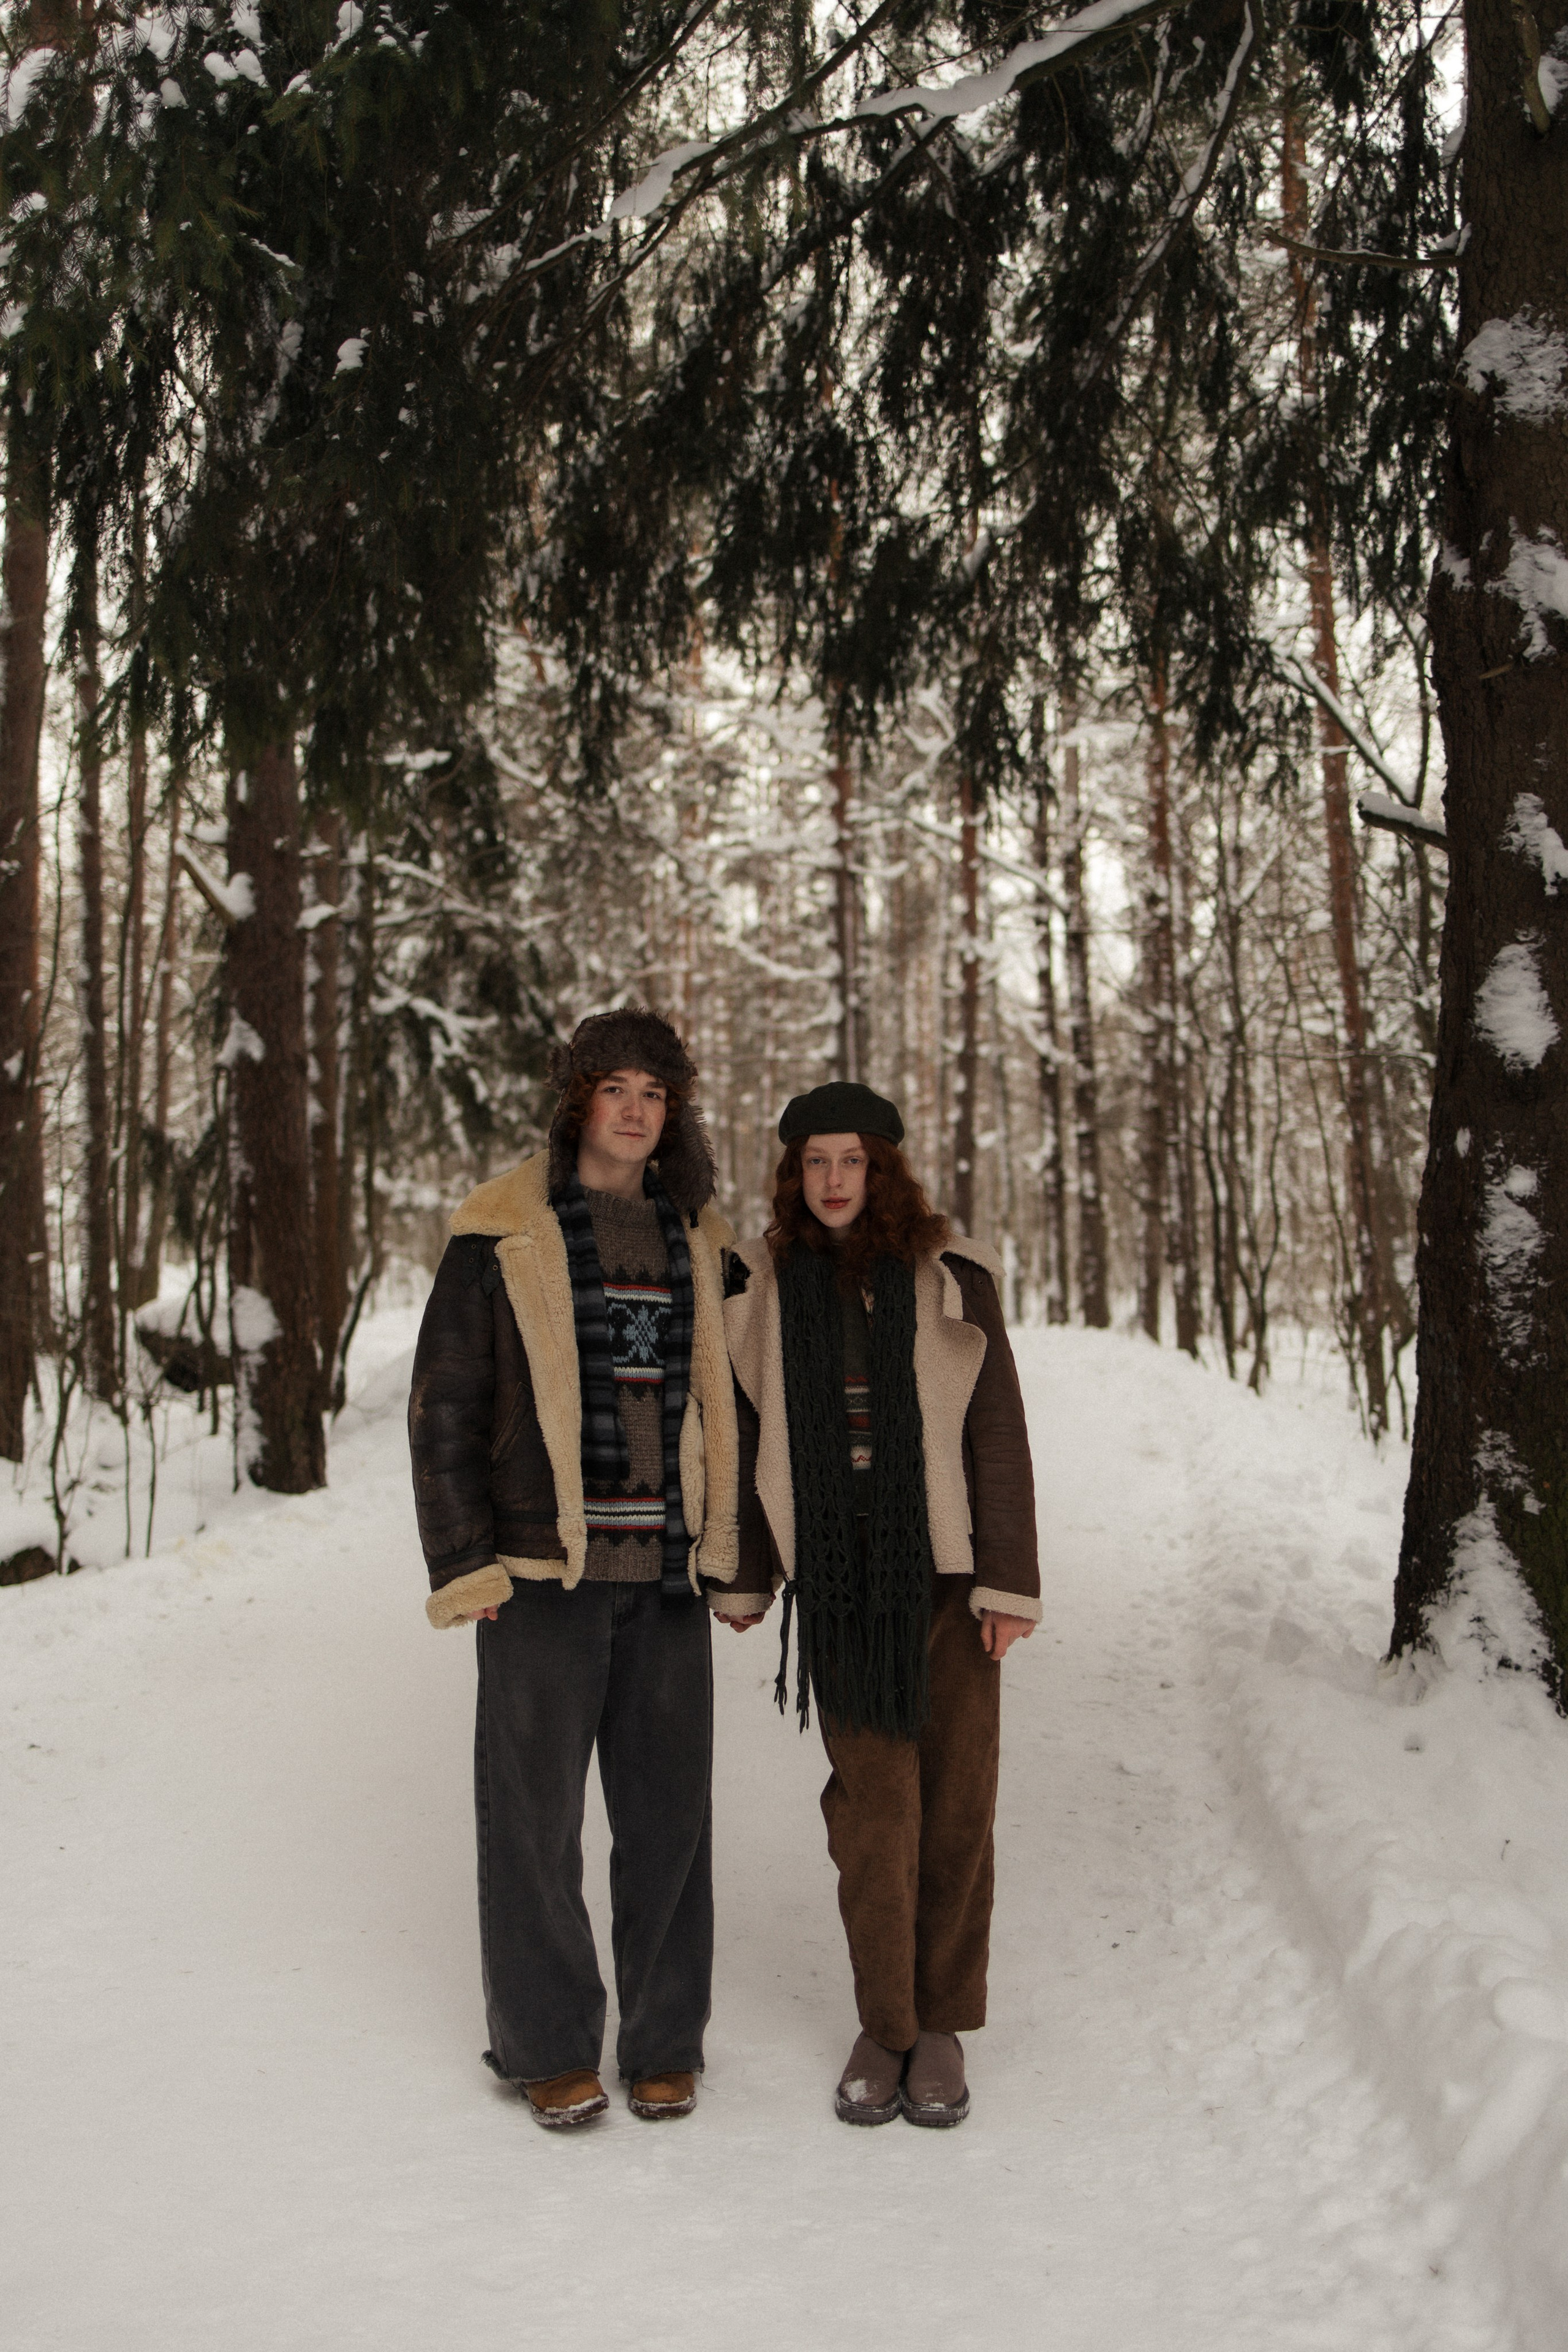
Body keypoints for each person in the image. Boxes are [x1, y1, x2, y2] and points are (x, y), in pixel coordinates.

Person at [407, 1009, 742, 2129]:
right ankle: (547, 2047)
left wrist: (735, 1554)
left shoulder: (701, 1238)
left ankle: (663, 2042)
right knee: (535, 1822)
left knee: (669, 1823)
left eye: (655, 1092)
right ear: (578, 1102)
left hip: (665, 1578)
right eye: (616, 1089)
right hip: (542, 1572)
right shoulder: (501, 1232)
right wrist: (468, 1566)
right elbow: (445, 1408)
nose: (637, 1110)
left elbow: (735, 1412)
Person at [715, 1080, 1039, 2128]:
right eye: (815, 1163)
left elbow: (997, 1432)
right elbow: (748, 1438)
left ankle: (942, 2020)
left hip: (946, 1584)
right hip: (844, 1592)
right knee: (873, 1814)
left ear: (884, 1168)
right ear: (793, 1174)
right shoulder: (761, 1287)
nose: (834, 1181)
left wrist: (1010, 1580)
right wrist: (748, 1571)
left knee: (957, 1802)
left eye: (852, 1161)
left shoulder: (951, 1276)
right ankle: (886, 2023)